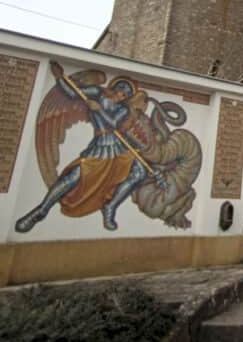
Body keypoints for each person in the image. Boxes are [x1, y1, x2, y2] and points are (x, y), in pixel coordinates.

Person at [15, 63, 164, 233]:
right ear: (114, 87)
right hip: (100, 145)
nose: (121, 96)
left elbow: (113, 124)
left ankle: (110, 207)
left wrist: (99, 109)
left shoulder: (122, 109)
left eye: (126, 95)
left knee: (139, 172)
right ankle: (41, 210)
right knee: (74, 176)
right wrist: (60, 77)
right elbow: (73, 93)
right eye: (120, 91)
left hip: (118, 145)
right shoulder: (97, 93)